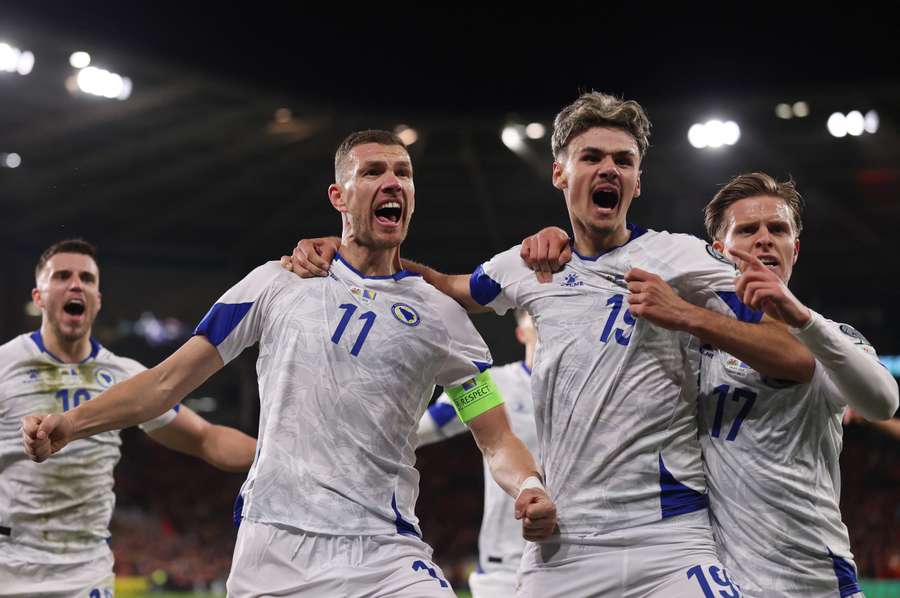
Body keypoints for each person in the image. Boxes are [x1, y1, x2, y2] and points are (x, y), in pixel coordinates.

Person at [285, 93, 814, 597]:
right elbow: (446, 287)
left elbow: (793, 358)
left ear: (636, 180)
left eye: (623, 160)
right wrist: (345, 252)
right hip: (565, 543)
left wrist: (687, 315)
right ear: (560, 172)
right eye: (591, 157)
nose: (609, 169)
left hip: (669, 542)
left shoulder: (683, 259)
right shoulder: (527, 264)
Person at [23, 131, 556, 598]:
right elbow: (164, 383)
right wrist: (70, 424)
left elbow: (493, 436)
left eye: (403, 173)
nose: (392, 182)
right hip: (273, 548)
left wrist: (528, 484)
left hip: (384, 552)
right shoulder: (275, 284)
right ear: (339, 196)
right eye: (372, 171)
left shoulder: (443, 320)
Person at [0, 238, 257, 598]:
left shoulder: (126, 377)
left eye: (87, 279)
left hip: (84, 570)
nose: (76, 284)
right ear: (39, 296)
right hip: (9, 564)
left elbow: (205, 438)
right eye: (62, 276)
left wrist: (278, 455)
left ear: (98, 300)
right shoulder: (4, 364)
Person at [693, 173, 897, 597]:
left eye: (778, 229)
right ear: (718, 251)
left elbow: (883, 403)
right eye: (748, 230)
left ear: (795, 249)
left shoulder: (832, 336)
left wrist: (801, 318)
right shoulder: (693, 346)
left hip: (812, 579)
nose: (765, 239)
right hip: (720, 581)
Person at [417, 309, 539, 598]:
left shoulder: (593, 392)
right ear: (521, 333)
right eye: (536, 316)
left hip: (581, 554)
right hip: (508, 568)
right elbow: (417, 432)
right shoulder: (494, 384)